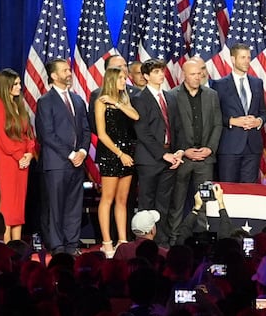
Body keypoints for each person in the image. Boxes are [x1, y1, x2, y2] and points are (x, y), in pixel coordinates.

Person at [34, 59, 92, 255]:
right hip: (57, 163)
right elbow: (47, 134)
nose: (69, 73)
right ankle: (57, 246)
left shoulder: (77, 99)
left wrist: (83, 152)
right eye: (65, 70)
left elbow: (85, 129)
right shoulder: (45, 101)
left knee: (74, 206)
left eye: (69, 70)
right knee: (55, 206)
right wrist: (70, 154)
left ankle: (71, 244)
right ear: (53, 75)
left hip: (77, 163)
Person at [167, 56, 222, 242]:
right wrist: (183, 150)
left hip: (205, 159)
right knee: (178, 201)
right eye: (193, 74)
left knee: (204, 201)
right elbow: (171, 128)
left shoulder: (211, 95)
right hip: (182, 158)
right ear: (184, 74)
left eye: (200, 73)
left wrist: (209, 149)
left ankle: (201, 240)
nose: (197, 77)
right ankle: (174, 240)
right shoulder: (172, 96)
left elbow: (217, 124)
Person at [92, 66, 139, 256]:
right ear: (111, 80)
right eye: (121, 78)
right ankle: (107, 242)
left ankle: (122, 240)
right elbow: (102, 135)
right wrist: (120, 154)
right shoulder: (100, 102)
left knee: (122, 200)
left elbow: (136, 116)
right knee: (108, 199)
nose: (124, 81)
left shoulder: (123, 101)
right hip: (112, 154)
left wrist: (118, 103)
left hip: (127, 154)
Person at [0, 69, 37, 242]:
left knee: (19, 203)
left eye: (19, 84)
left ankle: (18, 244)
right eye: (15, 84)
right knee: (9, 203)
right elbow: (2, 138)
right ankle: (6, 244)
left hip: (23, 159)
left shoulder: (20, 104)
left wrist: (29, 154)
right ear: (6, 86)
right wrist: (19, 156)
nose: (19, 87)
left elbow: (28, 135)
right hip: (8, 159)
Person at [212, 43, 266, 185]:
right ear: (233, 59)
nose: (247, 61)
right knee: (228, 189)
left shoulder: (257, 83)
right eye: (242, 57)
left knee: (249, 192)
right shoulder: (219, 85)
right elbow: (213, 115)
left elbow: (263, 112)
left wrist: (258, 121)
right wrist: (232, 121)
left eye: (248, 57)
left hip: (252, 147)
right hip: (229, 147)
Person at [131, 59, 178, 222]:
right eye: (156, 72)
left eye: (161, 71)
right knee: (147, 202)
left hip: (169, 158)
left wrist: (176, 152)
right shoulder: (139, 99)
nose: (161, 75)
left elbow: (175, 127)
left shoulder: (169, 97)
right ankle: (146, 241)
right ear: (146, 76)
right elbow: (142, 132)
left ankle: (162, 242)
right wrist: (163, 154)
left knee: (164, 203)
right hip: (149, 159)